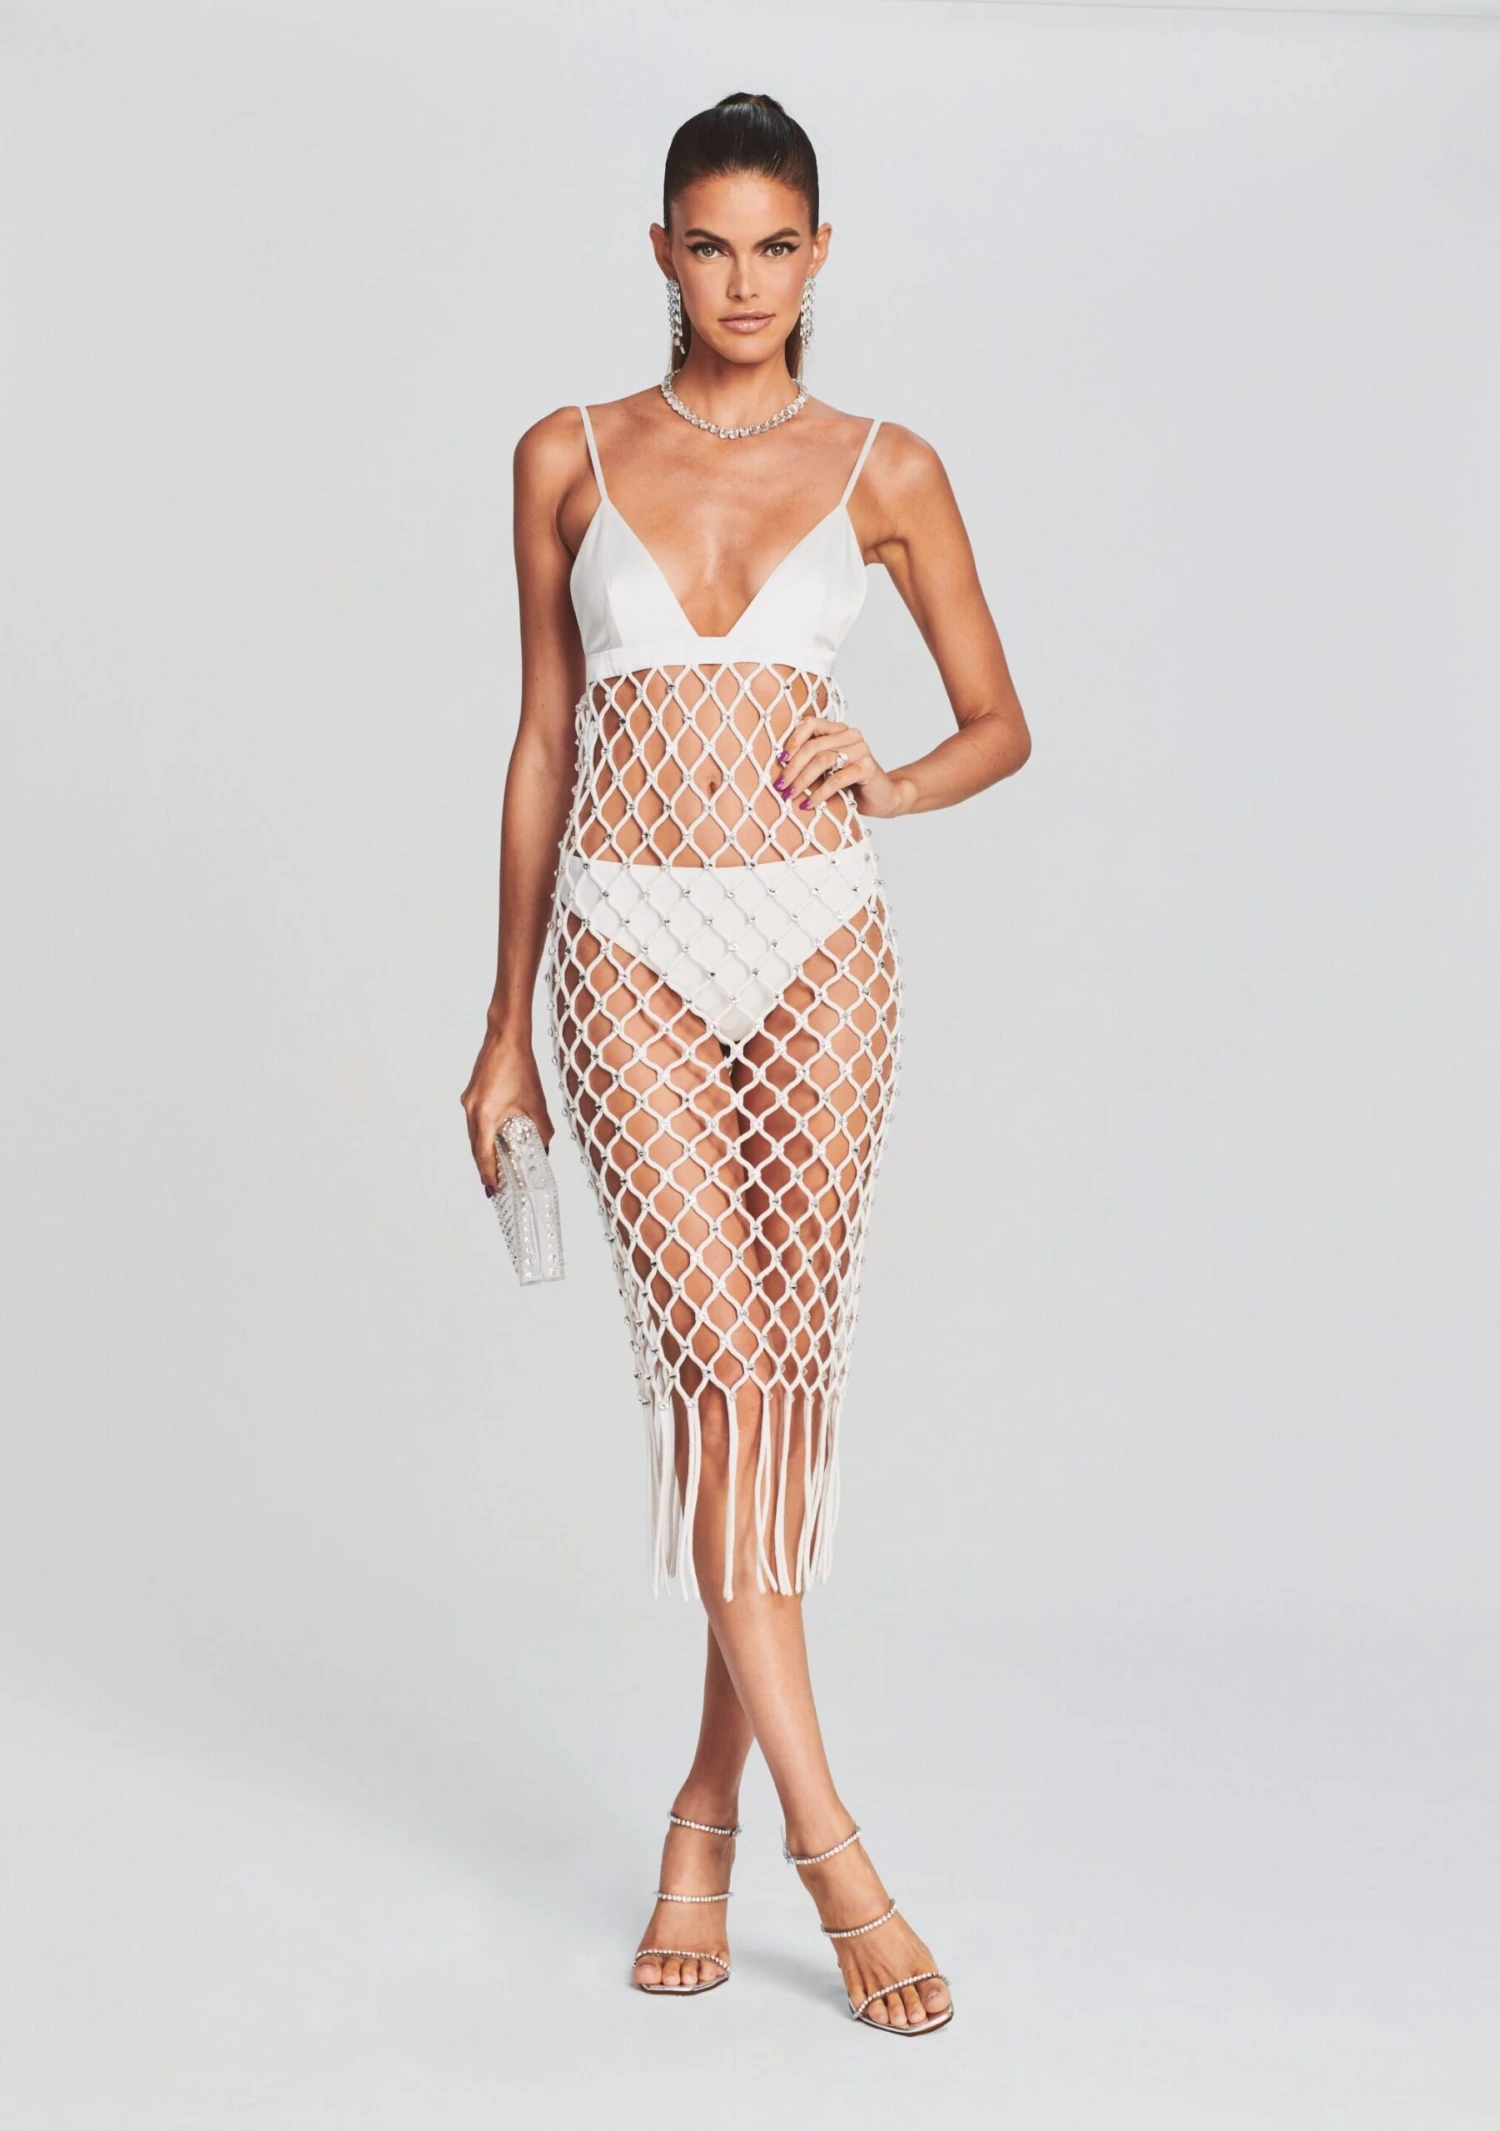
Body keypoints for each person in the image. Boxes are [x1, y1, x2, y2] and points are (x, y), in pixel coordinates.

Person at [461, 91, 1030, 2034]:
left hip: (819, 952)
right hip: (624, 943)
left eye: (776, 245)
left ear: (819, 255)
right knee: (718, 1376)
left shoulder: (888, 464)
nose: (743, 281)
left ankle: (702, 1816)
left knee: (772, 1395)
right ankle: (832, 1849)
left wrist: (897, 778)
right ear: (661, 253)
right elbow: (544, 740)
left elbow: (998, 720)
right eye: (709, 244)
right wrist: (502, 1026)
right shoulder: (566, 454)